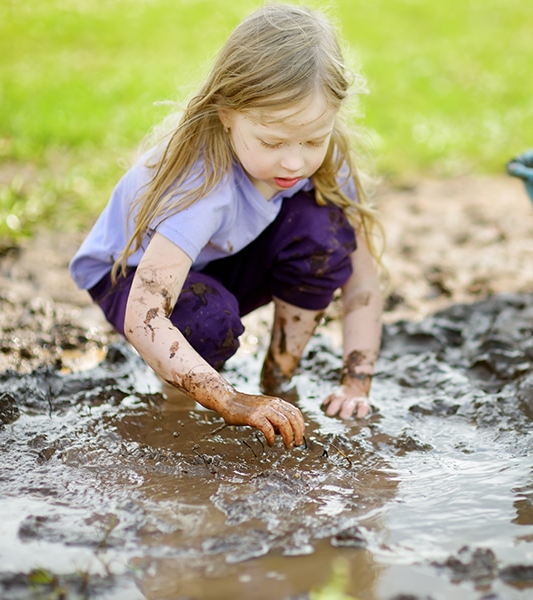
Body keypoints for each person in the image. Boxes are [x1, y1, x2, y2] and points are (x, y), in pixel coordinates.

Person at [69, 3, 383, 449]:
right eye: (272, 141)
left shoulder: (321, 164)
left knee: (325, 235)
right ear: (227, 113)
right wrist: (228, 399)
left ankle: (278, 378)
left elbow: (363, 283)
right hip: (132, 277)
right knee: (206, 318)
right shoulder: (202, 186)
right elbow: (145, 317)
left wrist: (356, 384)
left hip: (223, 257)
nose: (295, 161)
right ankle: (174, 405)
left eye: (313, 139)